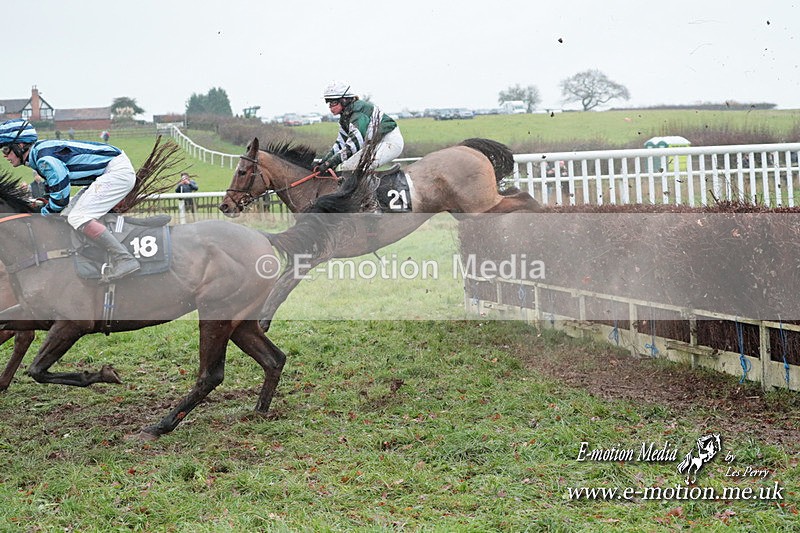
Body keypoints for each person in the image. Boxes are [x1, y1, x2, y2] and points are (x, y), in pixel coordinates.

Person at [0, 118, 140, 281]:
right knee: (69, 215)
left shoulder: (43, 158)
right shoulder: (39, 153)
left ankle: (124, 258)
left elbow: (60, 197)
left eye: (6, 149)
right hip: (108, 172)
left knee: (78, 217)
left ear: (21, 145)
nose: (5, 156)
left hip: (116, 173)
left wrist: (44, 212)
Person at [313, 81, 404, 211]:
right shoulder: (346, 116)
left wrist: (330, 163)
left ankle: (372, 204)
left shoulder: (358, 112)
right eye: (328, 103)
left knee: (352, 166)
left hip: (389, 142)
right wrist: (325, 160)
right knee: (347, 166)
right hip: (376, 143)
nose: (330, 107)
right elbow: (340, 143)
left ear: (344, 100)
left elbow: (354, 144)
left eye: (333, 102)